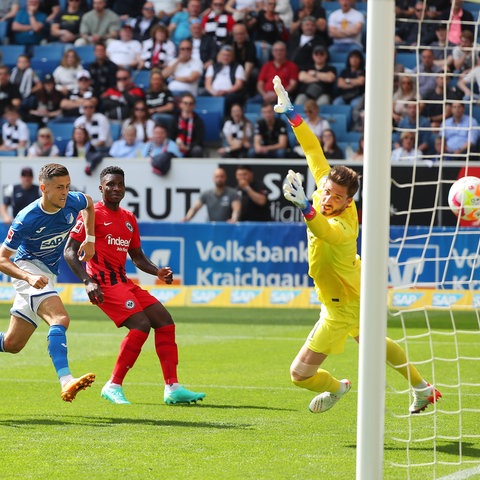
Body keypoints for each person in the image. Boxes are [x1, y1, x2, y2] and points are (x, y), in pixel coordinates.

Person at [272, 75, 442, 415]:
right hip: (352, 284)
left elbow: (327, 234)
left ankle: (337, 387)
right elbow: (313, 150)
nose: (328, 200)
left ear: (351, 201)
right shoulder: (323, 187)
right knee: (373, 342)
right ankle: (423, 388)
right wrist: (293, 115)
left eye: (337, 197)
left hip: (340, 303)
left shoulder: (344, 223)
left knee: (299, 375)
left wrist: (306, 209)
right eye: (327, 194)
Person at [64, 165, 205, 405]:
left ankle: (172, 387)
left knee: (164, 321)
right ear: (101, 188)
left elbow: (138, 258)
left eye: (120, 184)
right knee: (141, 324)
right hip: (103, 285)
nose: (116, 188)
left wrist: (157, 271)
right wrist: (88, 282)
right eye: (110, 184)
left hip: (124, 282)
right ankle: (113, 385)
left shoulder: (128, 219)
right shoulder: (91, 214)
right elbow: (69, 251)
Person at [0, 163, 96, 402]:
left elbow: (90, 203)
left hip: (46, 274)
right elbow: (2, 259)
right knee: (60, 318)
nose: (65, 192)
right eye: (59, 188)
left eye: (67, 186)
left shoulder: (73, 201)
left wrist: (90, 239)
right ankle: (66, 381)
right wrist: (28, 276)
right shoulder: (26, 219)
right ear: (43, 188)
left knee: (13, 343)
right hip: (27, 269)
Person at [170, 92, 205, 157]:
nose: (188, 105)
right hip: (176, 147)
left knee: (197, 150)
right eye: (185, 103)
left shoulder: (198, 121)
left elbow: (199, 140)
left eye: (190, 103)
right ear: (180, 105)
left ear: (194, 106)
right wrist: (178, 145)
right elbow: (171, 136)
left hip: (191, 148)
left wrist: (187, 147)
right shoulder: (175, 119)